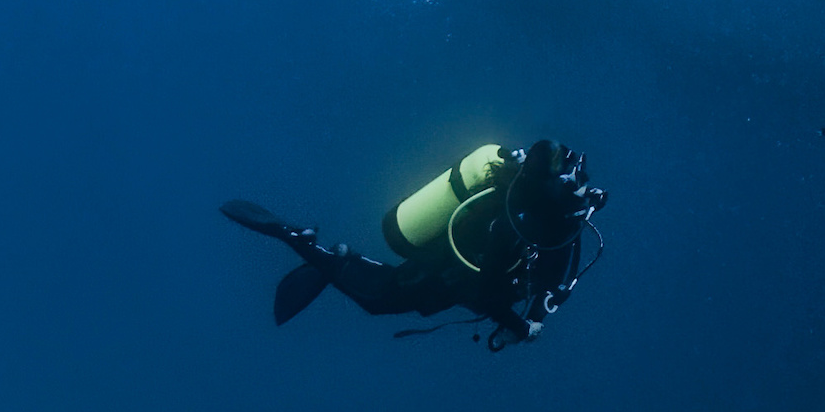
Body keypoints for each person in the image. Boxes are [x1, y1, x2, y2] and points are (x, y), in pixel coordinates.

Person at [224, 140, 608, 348]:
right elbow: (492, 296)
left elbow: (557, 271)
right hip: (446, 272)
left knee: (388, 288)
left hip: (457, 269)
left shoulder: (553, 217)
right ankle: (301, 241)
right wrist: (522, 329)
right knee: (379, 299)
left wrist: (536, 315)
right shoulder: (516, 223)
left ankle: (334, 259)